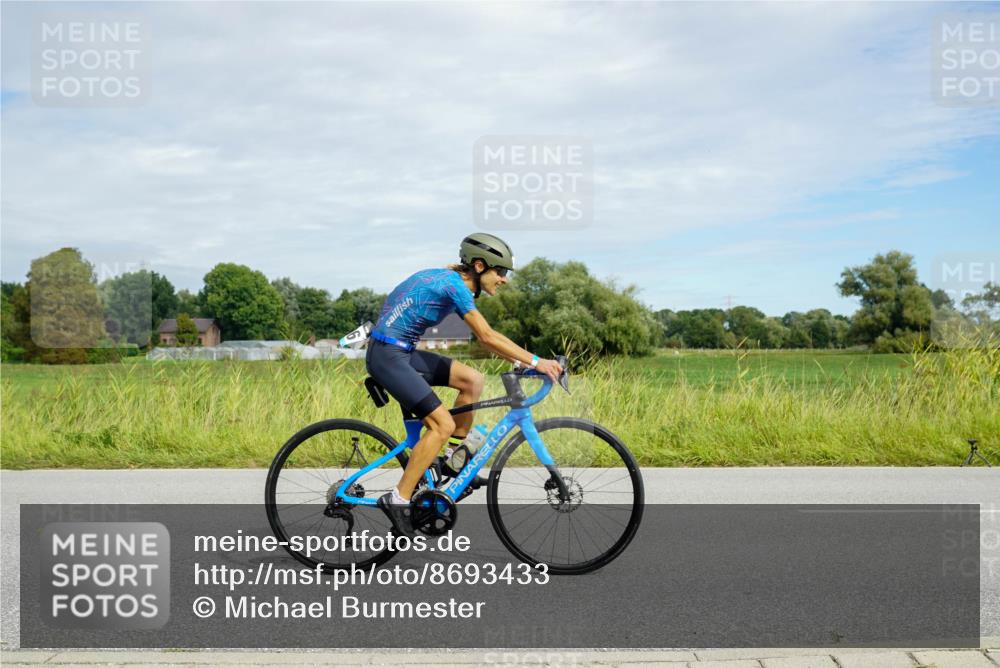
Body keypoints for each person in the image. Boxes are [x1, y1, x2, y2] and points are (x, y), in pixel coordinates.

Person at [366, 233, 563, 536]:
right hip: (388, 357)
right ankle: (398, 498)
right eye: (501, 272)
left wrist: (522, 360)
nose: (504, 280)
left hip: (399, 352)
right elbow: (486, 336)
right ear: (480, 265)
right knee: (441, 426)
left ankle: (454, 462)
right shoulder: (455, 286)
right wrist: (537, 362)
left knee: (472, 379)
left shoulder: (450, 281)